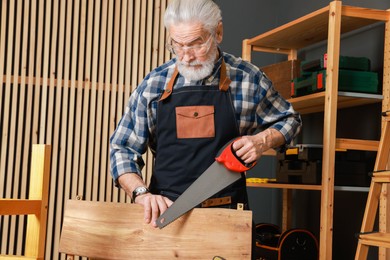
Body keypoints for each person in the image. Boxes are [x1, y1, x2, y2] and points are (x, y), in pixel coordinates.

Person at [110, 0, 301, 229]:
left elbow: (290, 120)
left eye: (195, 44)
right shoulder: (154, 85)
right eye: (177, 45)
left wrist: (262, 141)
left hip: (229, 216)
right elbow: (122, 148)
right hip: (167, 216)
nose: (186, 56)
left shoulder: (247, 79)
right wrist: (141, 193)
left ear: (218, 32)